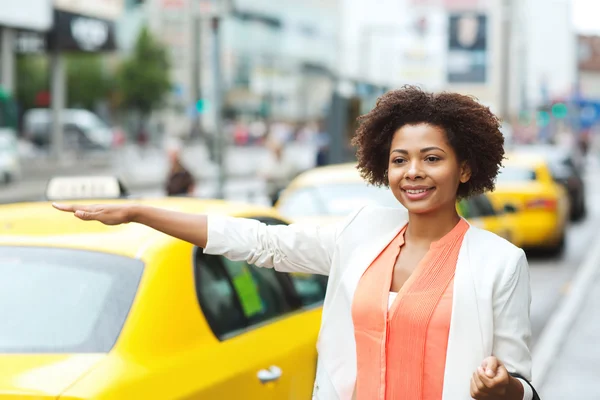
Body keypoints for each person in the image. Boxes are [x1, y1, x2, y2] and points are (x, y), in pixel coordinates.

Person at [53, 86, 538, 400]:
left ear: (465, 168)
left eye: (432, 159)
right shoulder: (361, 232)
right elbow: (261, 242)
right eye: (399, 160)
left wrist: (502, 389)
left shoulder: (500, 262)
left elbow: (520, 383)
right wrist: (142, 212)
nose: (413, 172)